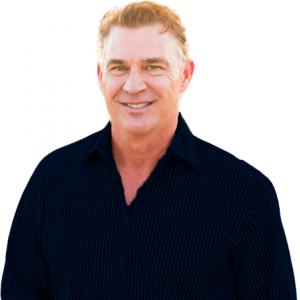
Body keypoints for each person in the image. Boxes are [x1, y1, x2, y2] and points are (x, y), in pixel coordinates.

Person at [1, 1, 297, 299]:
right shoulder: (51, 181)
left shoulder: (245, 195)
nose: (133, 84)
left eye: (152, 66)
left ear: (185, 75)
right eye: (118, 67)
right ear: (101, 76)